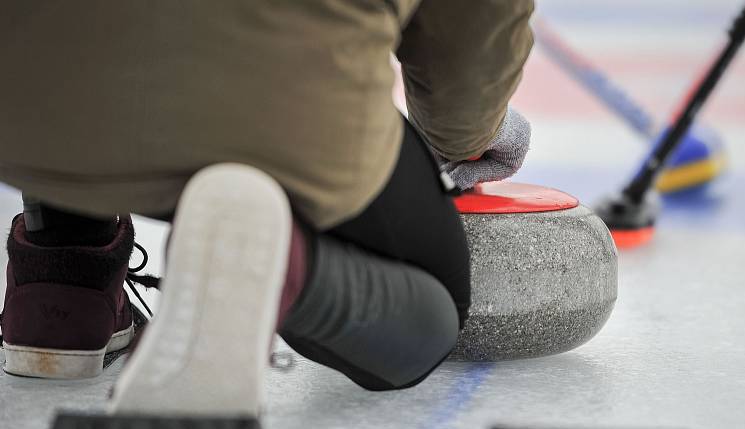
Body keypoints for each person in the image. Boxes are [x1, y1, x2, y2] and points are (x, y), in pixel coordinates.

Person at [0, 1, 533, 404]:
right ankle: (276, 258)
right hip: (276, 111)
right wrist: (465, 138)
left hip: (25, 110)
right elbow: (471, 38)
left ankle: (60, 272)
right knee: (436, 309)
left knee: (80, 47)